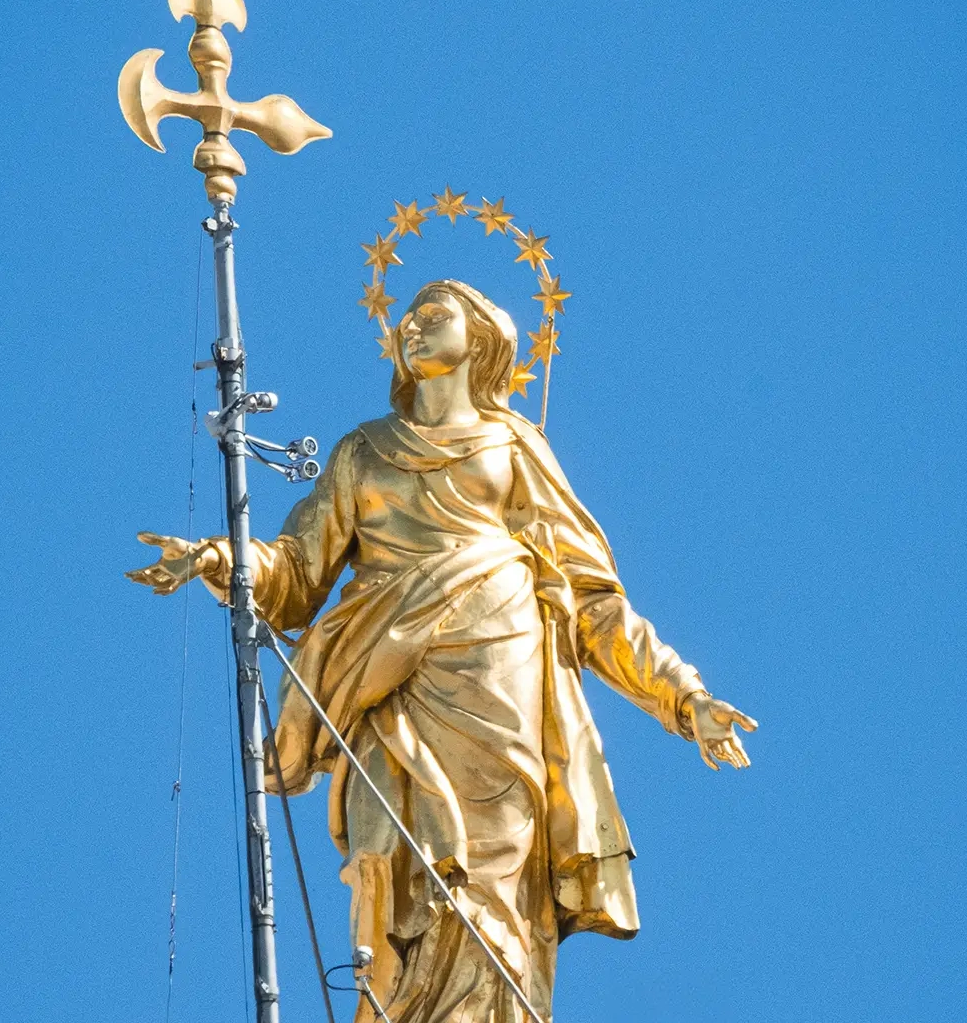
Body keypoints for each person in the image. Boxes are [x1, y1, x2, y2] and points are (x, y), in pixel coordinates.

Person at [128, 279, 758, 1022]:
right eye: (406, 318)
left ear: (484, 337)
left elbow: (593, 606)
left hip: (500, 679)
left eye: (434, 316)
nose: (410, 327)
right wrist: (216, 558)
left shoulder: (515, 445)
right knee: (386, 867)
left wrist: (684, 697)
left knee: (494, 875)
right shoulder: (362, 452)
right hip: (383, 687)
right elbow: (295, 573)